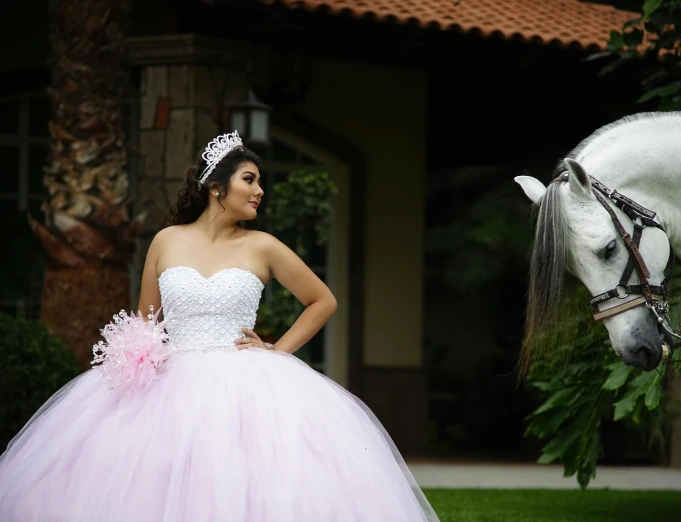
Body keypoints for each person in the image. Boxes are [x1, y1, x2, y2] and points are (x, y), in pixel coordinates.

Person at [0, 131, 440, 522]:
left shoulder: (263, 246)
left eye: (259, 182)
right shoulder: (166, 240)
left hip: (244, 382)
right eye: (249, 179)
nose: (259, 191)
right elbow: (144, 323)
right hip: (168, 384)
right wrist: (137, 359)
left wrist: (277, 351)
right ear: (215, 186)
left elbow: (322, 301)